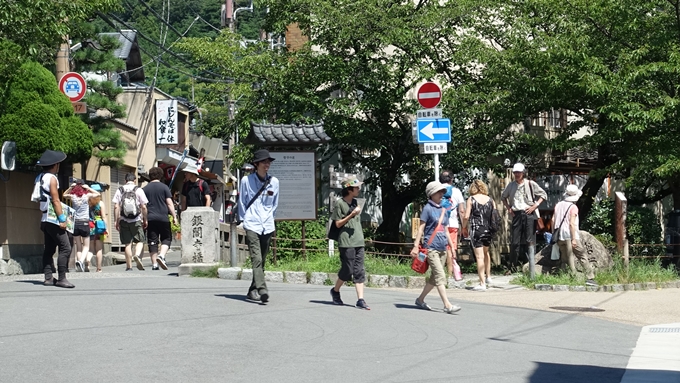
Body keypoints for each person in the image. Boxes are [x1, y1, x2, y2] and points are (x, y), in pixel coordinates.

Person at [410, 181, 462, 314]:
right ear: (431, 194)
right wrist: (416, 246)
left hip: (442, 247)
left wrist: (452, 247)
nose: (441, 194)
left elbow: (445, 230)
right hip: (430, 247)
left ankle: (420, 299)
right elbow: (421, 229)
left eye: (442, 192)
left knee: (434, 278)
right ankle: (447, 305)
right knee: (440, 275)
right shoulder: (427, 209)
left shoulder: (444, 210)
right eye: (438, 192)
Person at [238, 149, 279, 304]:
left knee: (262, 258)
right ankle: (262, 289)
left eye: (268, 161)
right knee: (256, 257)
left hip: (267, 224)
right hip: (252, 223)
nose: (267, 164)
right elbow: (242, 201)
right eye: (264, 161)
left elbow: (274, 204)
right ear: (256, 164)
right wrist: (243, 220)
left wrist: (271, 220)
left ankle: (251, 290)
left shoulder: (274, 182)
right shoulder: (246, 181)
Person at [329, 176, 370, 310]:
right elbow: (338, 223)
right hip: (346, 242)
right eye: (356, 187)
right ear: (349, 189)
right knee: (348, 270)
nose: (359, 189)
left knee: (359, 271)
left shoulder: (356, 202)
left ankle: (360, 299)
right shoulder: (340, 204)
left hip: (359, 240)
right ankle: (335, 291)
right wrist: (351, 214)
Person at [36, 150, 74, 288]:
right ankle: (62, 278)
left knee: (49, 249)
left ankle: (48, 277)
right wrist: (62, 219)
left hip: (44, 218)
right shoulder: (52, 178)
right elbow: (56, 200)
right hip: (53, 219)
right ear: (55, 165)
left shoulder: (40, 177)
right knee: (65, 247)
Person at [501, 163, 547, 272]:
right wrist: (509, 208)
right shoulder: (511, 185)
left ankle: (531, 267)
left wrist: (534, 206)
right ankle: (512, 266)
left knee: (530, 240)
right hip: (516, 213)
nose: (517, 174)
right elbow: (503, 197)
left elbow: (543, 195)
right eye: (515, 172)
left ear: (523, 173)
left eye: (519, 172)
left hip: (529, 213)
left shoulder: (530, 183)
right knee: (515, 241)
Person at [552, 185, 598, 286]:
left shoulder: (558, 205)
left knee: (564, 257)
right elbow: (572, 224)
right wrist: (573, 239)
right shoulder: (573, 207)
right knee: (582, 255)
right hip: (570, 235)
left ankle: (565, 277)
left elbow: (553, 220)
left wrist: (553, 235)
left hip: (559, 236)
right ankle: (590, 278)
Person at [462, 180, 496, 291]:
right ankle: (488, 277)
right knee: (486, 253)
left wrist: (463, 227)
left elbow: (466, 216)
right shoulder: (491, 200)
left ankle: (482, 283)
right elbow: (494, 216)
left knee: (479, 256)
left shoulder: (471, 199)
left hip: (476, 229)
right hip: (489, 229)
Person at [143, 167, 178, 270]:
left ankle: (154, 264)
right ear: (161, 175)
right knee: (166, 238)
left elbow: (143, 206)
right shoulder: (164, 188)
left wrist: (144, 218)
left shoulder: (145, 189)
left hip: (150, 218)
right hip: (163, 217)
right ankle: (161, 256)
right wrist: (174, 216)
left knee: (152, 240)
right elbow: (169, 203)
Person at [112, 173, 148, 271]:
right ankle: (136, 255)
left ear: (125, 180)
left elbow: (116, 206)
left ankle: (129, 267)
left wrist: (116, 220)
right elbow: (143, 206)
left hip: (124, 220)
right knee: (140, 240)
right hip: (136, 220)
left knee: (127, 244)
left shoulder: (120, 190)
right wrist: (145, 219)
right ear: (135, 180)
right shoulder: (139, 190)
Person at [63, 179, 100, 272]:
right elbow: (98, 194)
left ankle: (80, 266)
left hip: (75, 223)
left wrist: (71, 187)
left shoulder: (72, 196)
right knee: (86, 246)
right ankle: (80, 261)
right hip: (84, 222)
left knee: (78, 246)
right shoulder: (87, 195)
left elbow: (64, 195)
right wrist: (89, 188)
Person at [439, 171, 465, 275]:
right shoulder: (456, 191)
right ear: (451, 179)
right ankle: (450, 274)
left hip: (439, 225)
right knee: (451, 249)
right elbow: (462, 211)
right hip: (453, 224)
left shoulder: (437, 190)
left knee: (439, 248)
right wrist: (464, 227)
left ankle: (438, 273)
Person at [88, 184, 107, 272]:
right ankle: (98, 268)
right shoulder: (101, 203)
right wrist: (106, 228)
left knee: (90, 248)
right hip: (99, 226)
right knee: (99, 248)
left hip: (90, 225)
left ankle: (87, 261)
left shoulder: (88, 202)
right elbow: (104, 216)